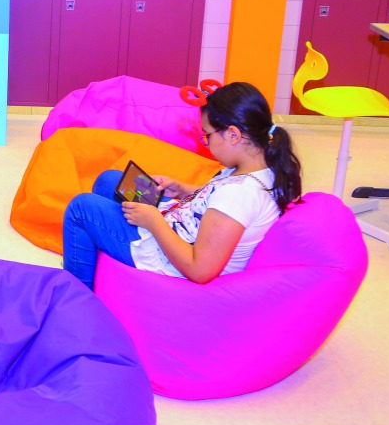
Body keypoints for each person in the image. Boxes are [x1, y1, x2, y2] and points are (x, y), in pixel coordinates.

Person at [61, 82, 303, 290]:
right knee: (110, 180)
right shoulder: (257, 167)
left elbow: (199, 270)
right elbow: (216, 203)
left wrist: (153, 221)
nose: (206, 143)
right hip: (180, 225)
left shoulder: (239, 195)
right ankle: (101, 262)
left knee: (81, 208)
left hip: (170, 257)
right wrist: (183, 189)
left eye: (207, 136)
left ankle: (79, 299)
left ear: (233, 135)